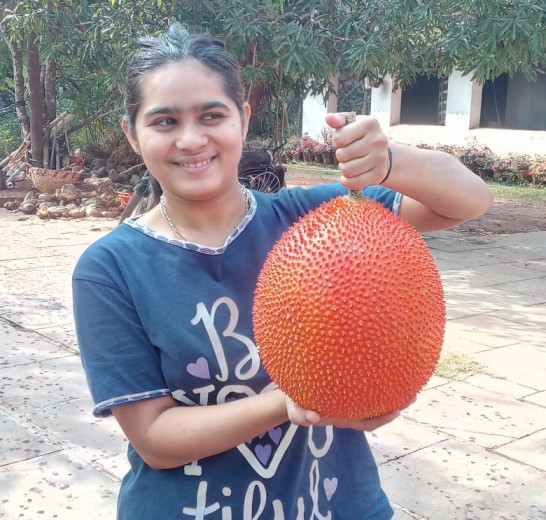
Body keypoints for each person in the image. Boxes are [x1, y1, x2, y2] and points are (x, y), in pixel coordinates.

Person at [72, 22, 494, 520]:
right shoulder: (110, 269)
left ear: (244, 120)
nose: (191, 139)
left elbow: (470, 200)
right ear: (132, 134)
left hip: (338, 504)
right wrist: (286, 403)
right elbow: (155, 439)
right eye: (164, 121)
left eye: (212, 115)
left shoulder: (315, 218)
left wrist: (387, 161)